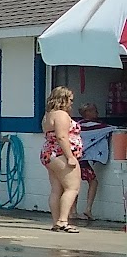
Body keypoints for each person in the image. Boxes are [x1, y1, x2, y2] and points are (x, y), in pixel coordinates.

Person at [40, 86, 83, 232]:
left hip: (49, 154)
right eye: (70, 99)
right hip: (60, 154)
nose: (71, 103)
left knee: (56, 190)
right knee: (72, 188)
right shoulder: (61, 115)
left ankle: (56, 222)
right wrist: (70, 157)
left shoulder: (48, 115)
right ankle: (63, 221)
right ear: (63, 99)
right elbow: (62, 136)